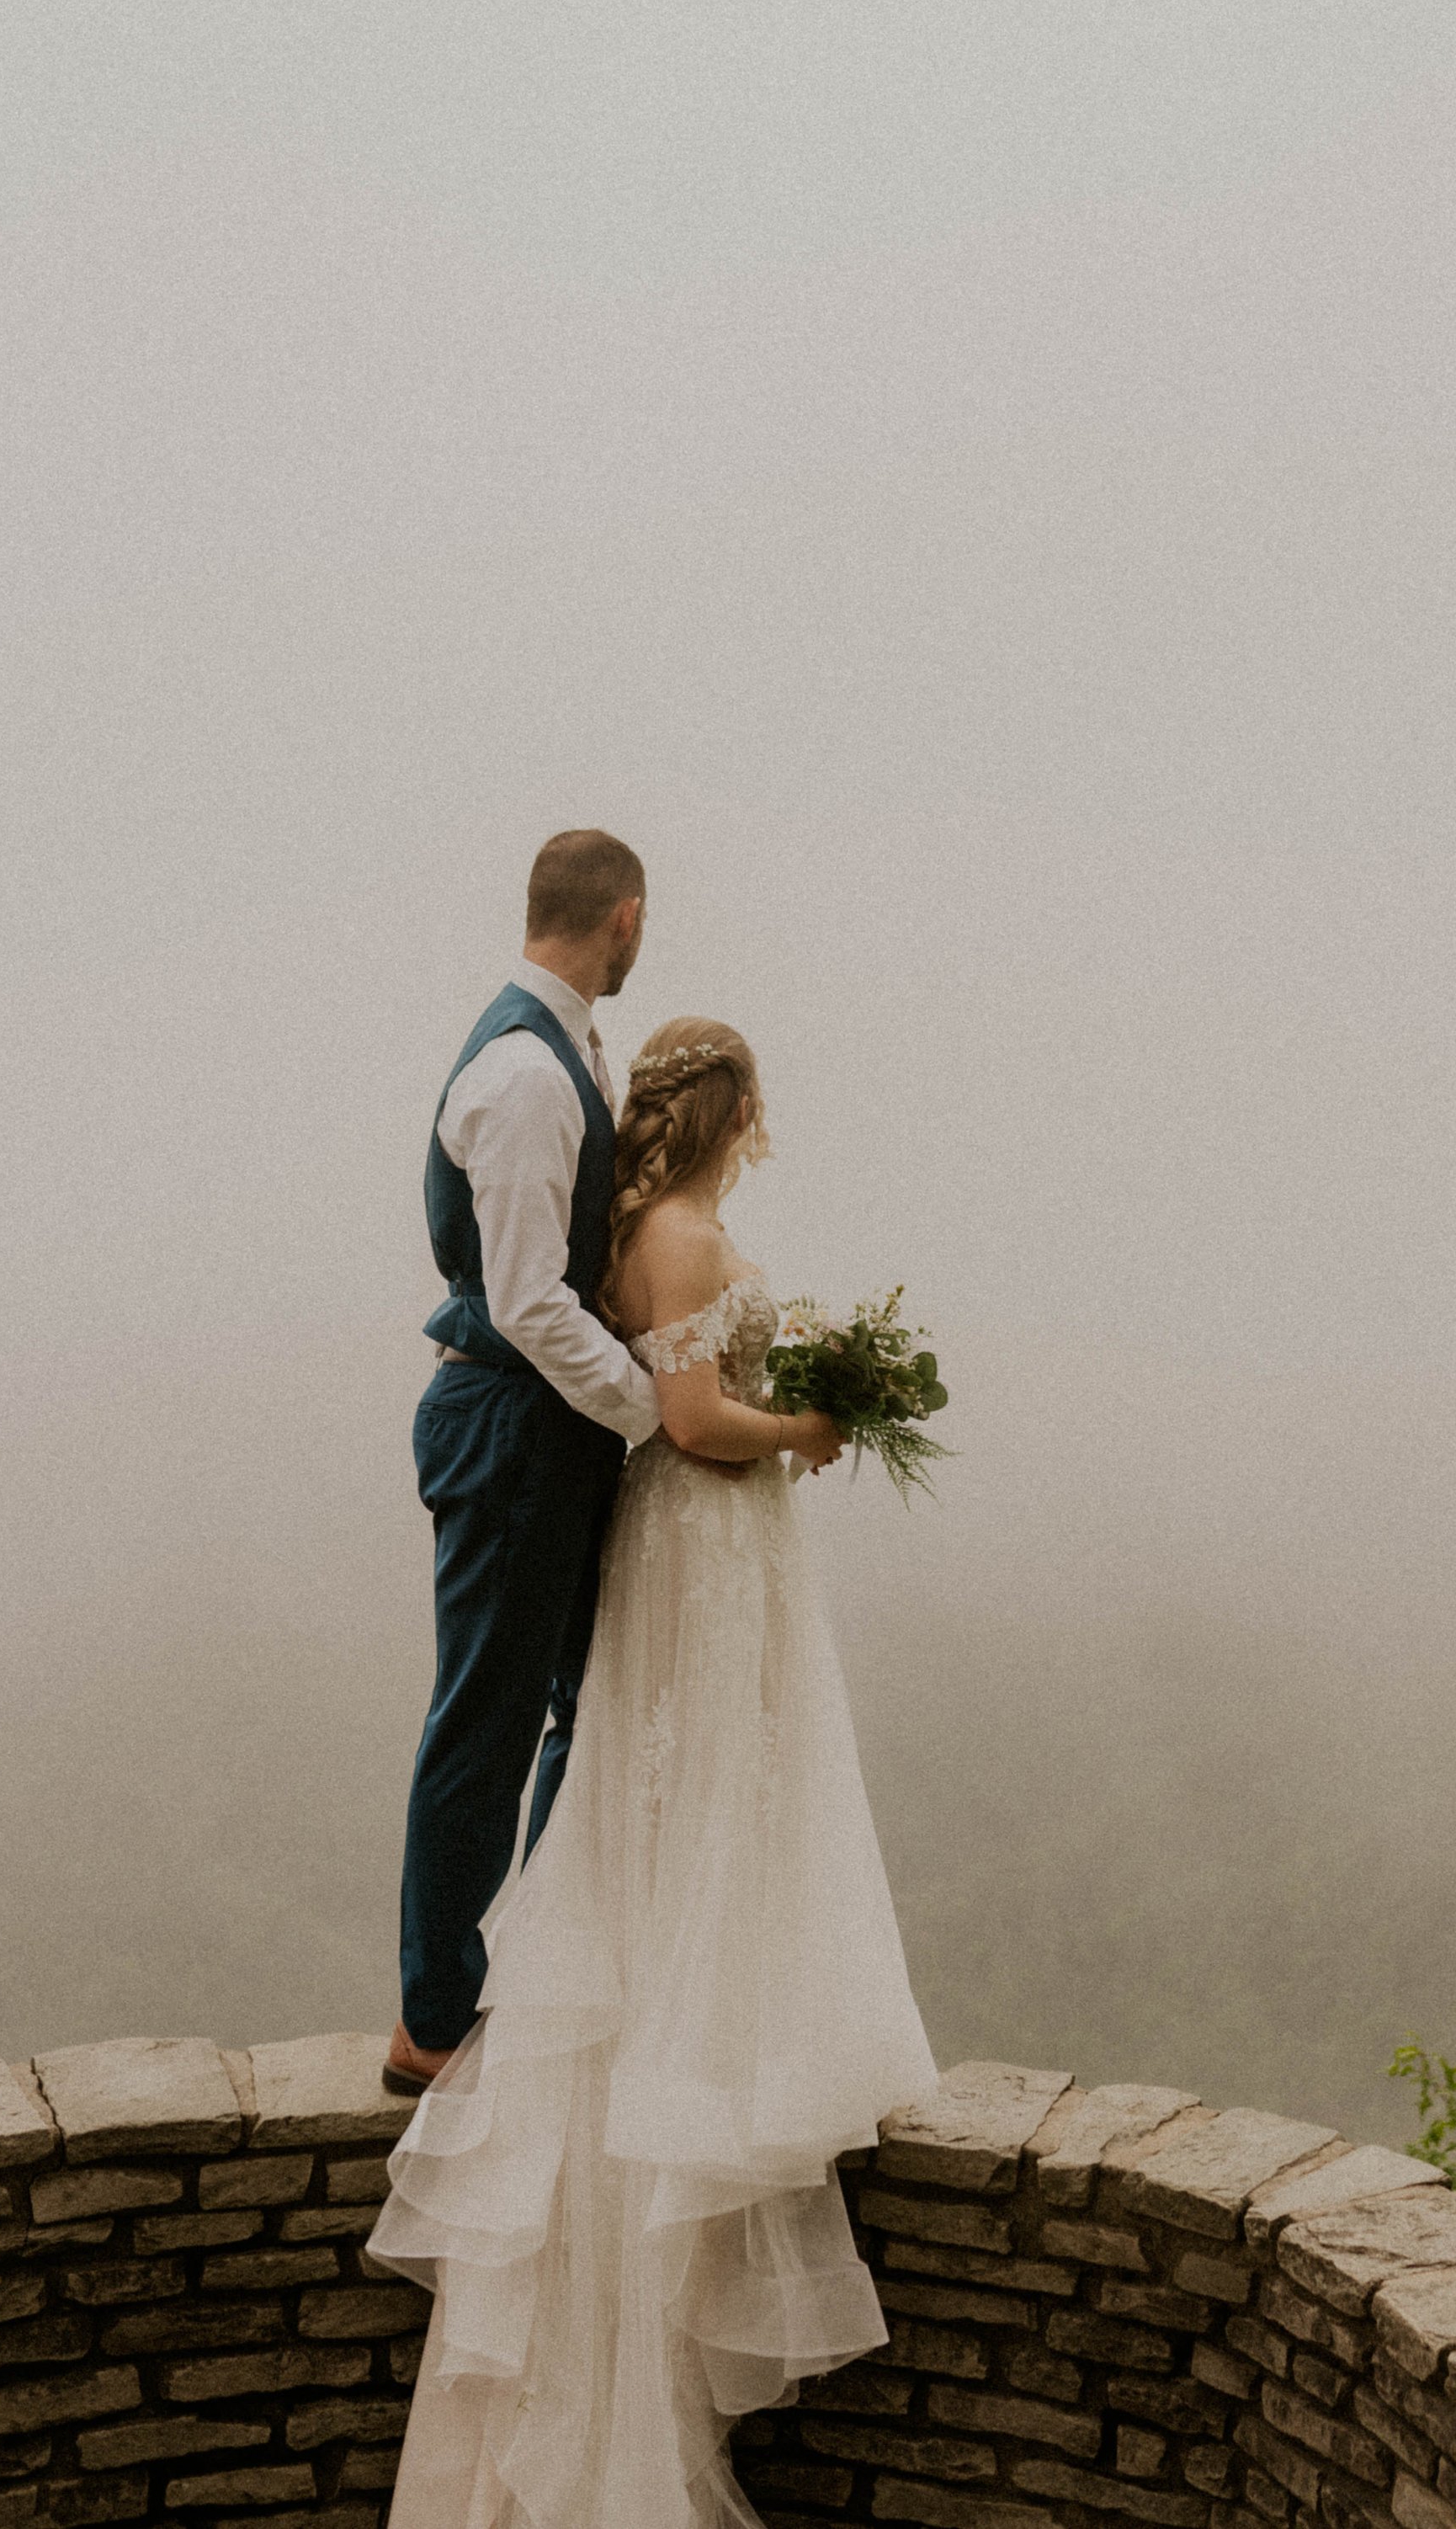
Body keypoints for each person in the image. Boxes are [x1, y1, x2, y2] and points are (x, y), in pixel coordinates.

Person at [369, 1018, 937, 2529]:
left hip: (706, 1544)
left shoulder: (647, 1230)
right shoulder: (677, 1237)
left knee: (703, 1789)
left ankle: (719, 1987)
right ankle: (701, 2021)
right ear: (730, 1106)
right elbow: (693, 1420)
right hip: (699, 1534)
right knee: (692, 1788)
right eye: (760, 1100)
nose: (766, 1124)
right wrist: (811, 1420)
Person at [387, 828, 667, 2098]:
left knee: (578, 1704)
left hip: (546, 1427)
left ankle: (527, 1966)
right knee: (484, 1723)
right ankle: (435, 2019)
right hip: (511, 1426)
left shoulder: (567, 1052)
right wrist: (652, 1408)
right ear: (623, 916)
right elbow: (527, 1300)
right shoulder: (524, 1074)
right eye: (641, 925)